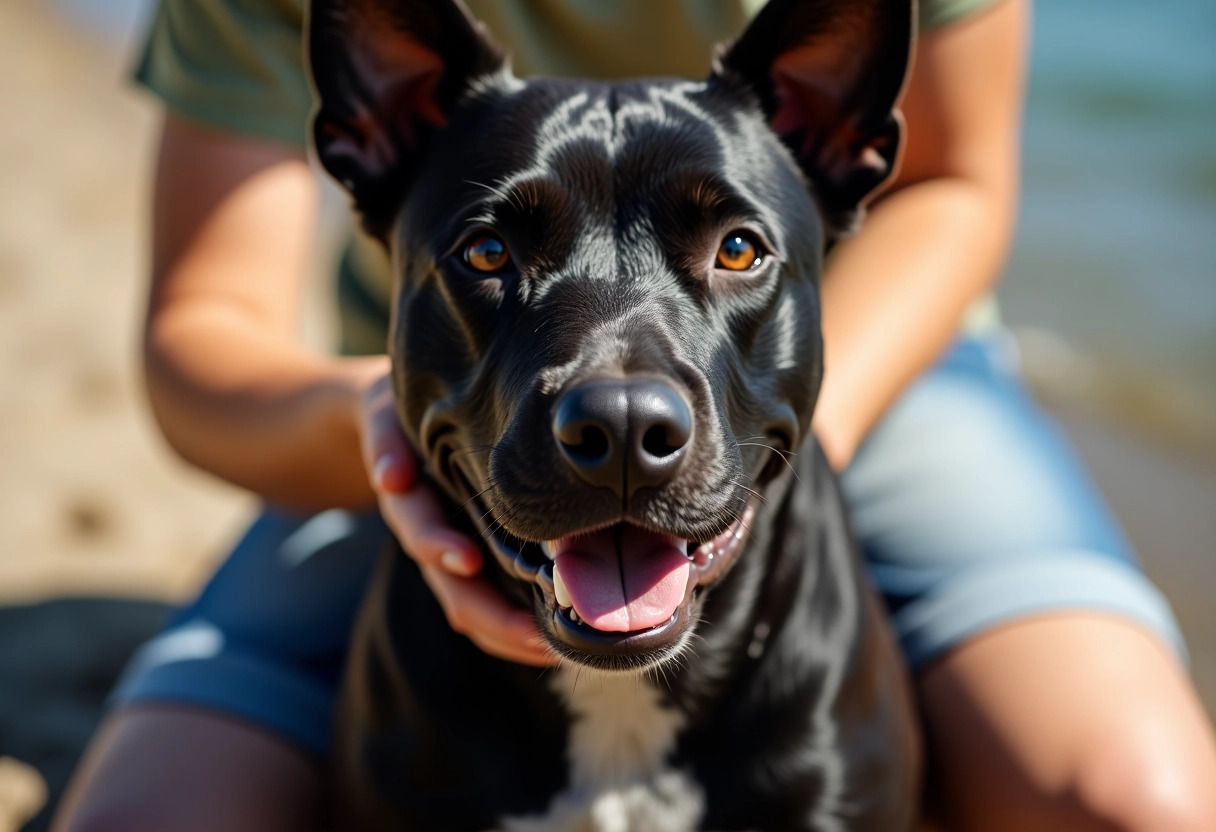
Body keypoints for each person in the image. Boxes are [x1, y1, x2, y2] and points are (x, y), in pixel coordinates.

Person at [55, 1, 1216, 830]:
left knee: (1136, 802)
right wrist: (376, 426)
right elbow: (201, 326)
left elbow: (956, 181)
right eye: (494, 245)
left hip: (857, 365)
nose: (622, 400)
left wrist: (796, 437)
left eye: (736, 239)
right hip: (439, 405)